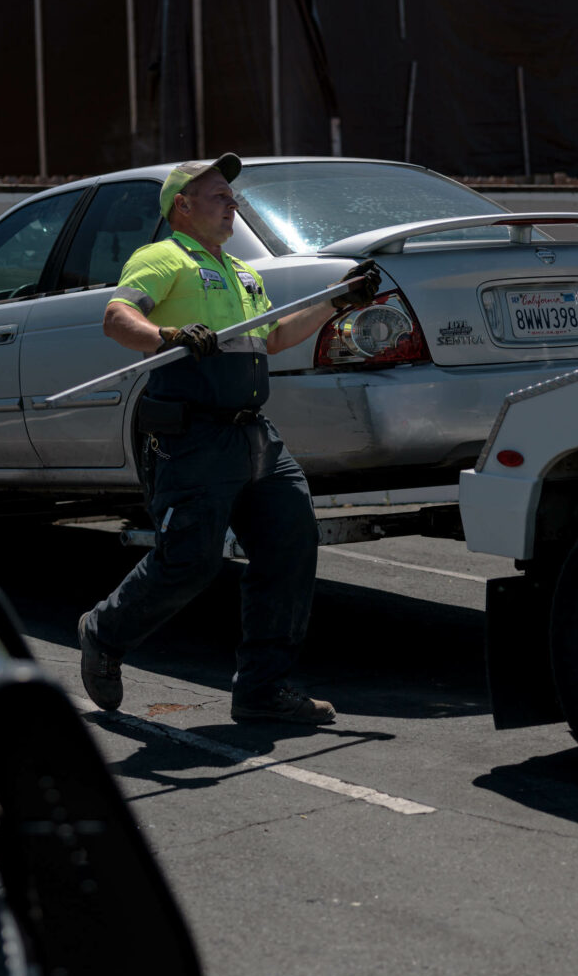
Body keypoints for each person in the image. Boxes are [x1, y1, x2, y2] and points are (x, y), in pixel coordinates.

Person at [76, 153, 380, 724]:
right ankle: (104, 632)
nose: (232, 203)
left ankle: (263, 689)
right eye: (219, 196)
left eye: (233, 196)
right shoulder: (163, 258)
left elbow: (274, 335)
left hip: (255, 435)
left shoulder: (243, 272)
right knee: (189, 563)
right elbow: (118, 318)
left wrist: (335, 302)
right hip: (194, 438)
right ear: (182, 207)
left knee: (291, 546)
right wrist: (166, 333)